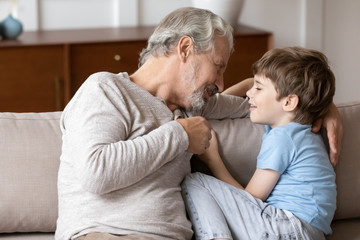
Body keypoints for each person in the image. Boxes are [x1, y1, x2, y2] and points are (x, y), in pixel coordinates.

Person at [55, 6, 342, 240]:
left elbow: (275, 104)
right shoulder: (105, 90)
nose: (220, 83)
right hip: (105, 234)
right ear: (185, 49)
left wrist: (324, 107)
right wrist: (179, 135)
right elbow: (95, 173)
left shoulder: (195, 104)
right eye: (218, 67)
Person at [181, 47, 337, 240]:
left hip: (287, 228)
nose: (248, 92)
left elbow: (251, 198)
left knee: (195, 182)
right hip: (310, 232)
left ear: (288, 103)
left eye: (258, 88)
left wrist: (214, 160)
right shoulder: (302, 133)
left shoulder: (282, 138)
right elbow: (228, 100)